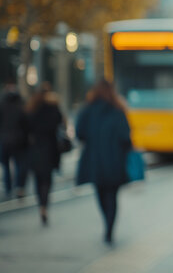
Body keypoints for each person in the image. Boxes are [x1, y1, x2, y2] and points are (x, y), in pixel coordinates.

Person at [75, 79, 131, 244]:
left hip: (94, 161)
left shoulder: (87, 110)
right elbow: (125, 137)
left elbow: (79, 133)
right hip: (114, 161)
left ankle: (106, 222)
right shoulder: (118, 110)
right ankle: (109, 228)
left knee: (100, 194)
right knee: (112, 196)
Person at [24, 82, 63, 225]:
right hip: (50, 149)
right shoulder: (53, 108)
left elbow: (26, 127)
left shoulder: (32, 108)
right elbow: (60, 122)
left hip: (35, 149)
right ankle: (45, 207)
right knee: (47, 180)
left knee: (38, 180)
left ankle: (41, 205)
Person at [0, 79, 29, 199]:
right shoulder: (21, 105)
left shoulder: (2, 104)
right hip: (18, 139)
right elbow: (26, 123)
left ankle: (8, 187)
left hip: (5, 139)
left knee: (6, 166)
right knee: (19, 164)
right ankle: (19, 187)